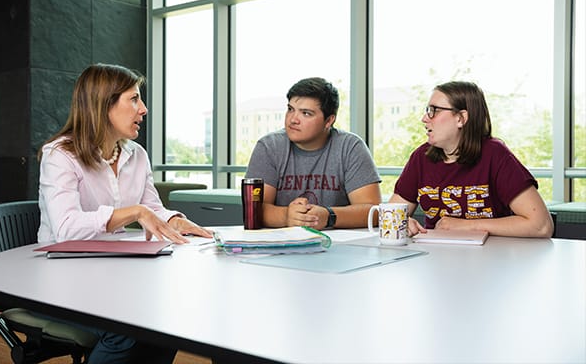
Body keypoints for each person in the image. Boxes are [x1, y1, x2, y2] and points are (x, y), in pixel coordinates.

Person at [37, 63, 213, 363]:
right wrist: (135, 212)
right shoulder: (59, 155)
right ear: (104, 105)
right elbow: (66, 228)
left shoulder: (136, 154)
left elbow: (152, 207)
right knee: (123, 329)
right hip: (61, 281)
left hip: (112, 275)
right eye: (134, 99)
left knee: (169, 319)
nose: (143, 109)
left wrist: (173, 220)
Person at [389, 80, 554, 238]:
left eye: (434, 110)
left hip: (492, 258)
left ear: (461, 118)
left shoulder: (495, 155)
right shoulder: (421, 157)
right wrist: (401, 222)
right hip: (435, 257)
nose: (424, 118)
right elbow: (391, 214)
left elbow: (541, 225)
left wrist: (465, 225)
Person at [245, 77, 382, 230]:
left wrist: (328, 216)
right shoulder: (269, 146)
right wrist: (287, 216)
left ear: (329, 121)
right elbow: (255, 209)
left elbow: (374, 211)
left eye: (306, 113)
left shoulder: (350, 147)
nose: (293, 119)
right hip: (282, 245)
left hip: (338, 246)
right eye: (290, 109)